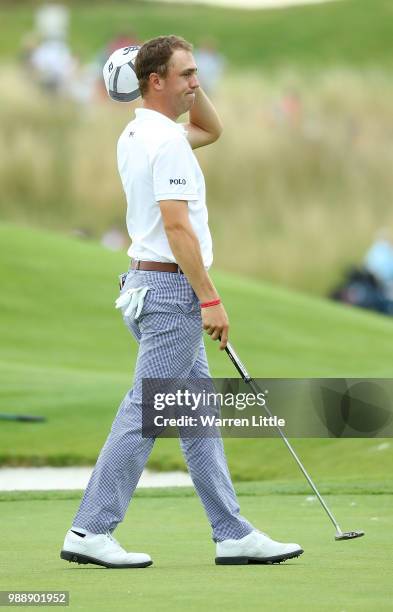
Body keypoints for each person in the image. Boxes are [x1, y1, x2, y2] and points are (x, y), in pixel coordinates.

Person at [60, 35, 303, 568]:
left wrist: (188, 84)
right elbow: (177, 227)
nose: (198, 82)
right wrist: (210, 299)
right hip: (172, 293)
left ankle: (231, 533)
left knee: (196, 416)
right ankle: (89, 529)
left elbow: (212, 130)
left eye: (198, 73)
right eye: (187, 74)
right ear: (154, 81)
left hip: (149, 287)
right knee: (147, 409)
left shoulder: (141, 131)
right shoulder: (165, 141)